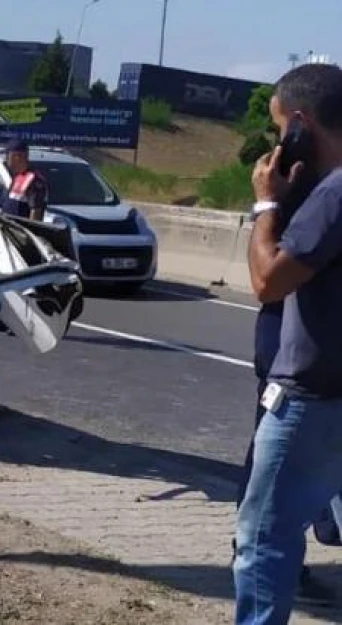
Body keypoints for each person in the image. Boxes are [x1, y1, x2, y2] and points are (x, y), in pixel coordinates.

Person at [234, 62, 342, 624]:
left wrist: (266, 205)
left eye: (281, 129)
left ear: (300, 124)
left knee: (264, 537)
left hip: (311, 398)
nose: (279, 142)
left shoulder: (333, 195)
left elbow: (266, 281)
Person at [0, 138, 48, 221]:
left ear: (17, 157)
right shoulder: (17, 176)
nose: (6, 160)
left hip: (20, 231)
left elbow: (36, 212)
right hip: (9, 228)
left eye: (8, 156)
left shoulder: (34, 180)